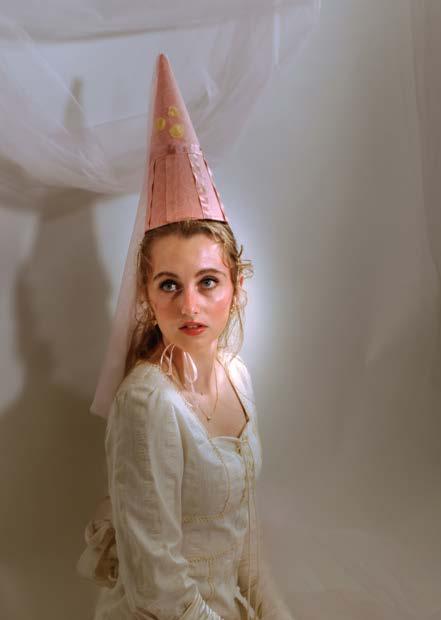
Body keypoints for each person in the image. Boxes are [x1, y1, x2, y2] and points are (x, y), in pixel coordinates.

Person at [76, 53, 293, 620]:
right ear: (146, 295)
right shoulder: (147, 404)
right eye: (169, 284)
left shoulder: (236, 377)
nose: (189, 306)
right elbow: (158, 588)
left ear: (236, 285)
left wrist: (274, 611)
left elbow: (245, 538)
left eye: (208, 281)